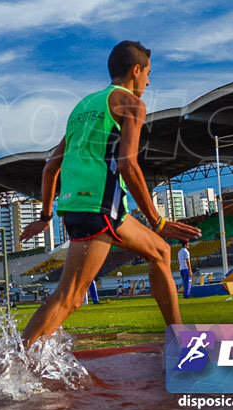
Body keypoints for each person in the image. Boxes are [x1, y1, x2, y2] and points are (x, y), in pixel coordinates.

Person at [19, 41, 201, 347]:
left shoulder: (83, 107)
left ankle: (180, 338)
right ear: (136, 70)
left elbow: (51, 167)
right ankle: (12, 362)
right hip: (98, 206)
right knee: (71, 297)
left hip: (87, 206)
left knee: (160, 251)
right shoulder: (131, 104)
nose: (148, 81)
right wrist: (157, 221)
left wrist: (45, 217)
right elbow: (128, 166)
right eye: (148, 74)